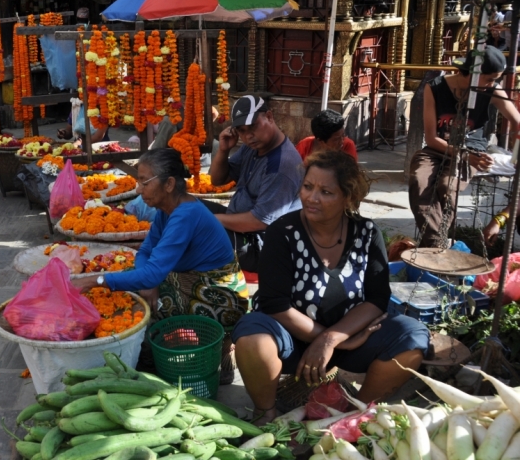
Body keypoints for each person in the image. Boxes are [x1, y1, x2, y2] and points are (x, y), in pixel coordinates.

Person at [233, 151, 429, 423]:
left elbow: (377, 297)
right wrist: (324, 339)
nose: (312, 197)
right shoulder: (283, 232)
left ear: (347, 197)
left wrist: (332, 339)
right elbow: (275, 304)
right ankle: (266, 413)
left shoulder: (367, 233)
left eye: (326, 191)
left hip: (349, 339)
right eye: (308, 186)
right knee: (251, 335)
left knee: (412, 335)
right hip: (291, 340)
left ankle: (354, 414)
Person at [73, 148, 249, 383]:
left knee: (143, 309)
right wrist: (149, 281)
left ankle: (154, 366)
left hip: (219, 296)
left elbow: (152, 273)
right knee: (133, 287)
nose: (138, 189)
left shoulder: (185, 215)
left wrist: (94, 280)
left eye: (145, 182)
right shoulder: (167, 210)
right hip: (189, 278)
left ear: (168, 184)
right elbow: (146, 251)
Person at [409, 45, 520, 247]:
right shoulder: (434, 88)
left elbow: (517, 121)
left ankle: (434, 245)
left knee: (447, 186)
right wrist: (465, 155)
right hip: (437, 149)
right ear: (469, 74)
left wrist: (517, 150)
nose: (492, 84)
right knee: (419, 181)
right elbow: (432, 138)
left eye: (496, 79)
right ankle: (437, 244)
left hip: (473, 151)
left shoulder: (492, 90)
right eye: (489, 79)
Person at [206, 95, 304, 272]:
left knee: (198, 231)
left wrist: (211, 220)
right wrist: (223, 149)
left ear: (269, 117)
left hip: (261, 246)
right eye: (242, 131)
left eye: (253, 126)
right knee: (183, 205)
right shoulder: (252, 147)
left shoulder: (281, 165)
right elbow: (218, 180)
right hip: (239, 224)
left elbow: (260, 221)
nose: (248, 136)